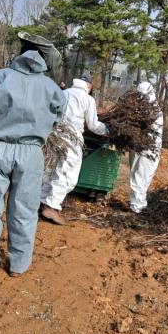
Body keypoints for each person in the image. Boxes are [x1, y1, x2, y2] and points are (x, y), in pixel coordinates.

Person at [0, 50, 66, 283]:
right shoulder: (53, 88)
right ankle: (19, 264)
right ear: (44, 62)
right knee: (25, 208)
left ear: (18, 58)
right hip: (31, 153)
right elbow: (56, 119)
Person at [40, 74, 108, 225]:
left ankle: (42, 200)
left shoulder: (63, 93)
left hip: (54, 136)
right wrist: (109, 130)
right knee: (67, 173)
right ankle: (51, 207)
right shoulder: (87, 99)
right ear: (89, 87)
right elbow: (93, 125)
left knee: (50, 169)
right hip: (71, 139)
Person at [128, 82, 163, 214]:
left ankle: (137, 208)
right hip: (140, 148)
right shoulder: (144, 107)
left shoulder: (153, 109)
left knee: (141, 176)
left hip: (148, 149)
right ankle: (137, 203)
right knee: (137, 175)